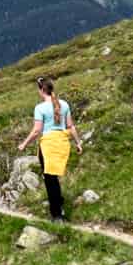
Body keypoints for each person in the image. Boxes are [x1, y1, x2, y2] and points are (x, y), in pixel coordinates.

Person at [17, 76, 83, 220]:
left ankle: (57, 214)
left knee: (50, 179)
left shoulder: (39, 108)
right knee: (55, 177)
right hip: (62, 143)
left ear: (41, 90)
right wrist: (78, 143)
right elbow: (70, 126)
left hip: (48, 146)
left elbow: (36, 130)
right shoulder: (64, 104)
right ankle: (59, 203)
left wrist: (24, 144)